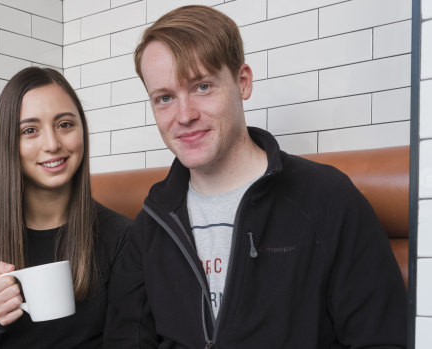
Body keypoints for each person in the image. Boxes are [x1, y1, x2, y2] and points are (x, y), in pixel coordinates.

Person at [104, 5, 406, 348]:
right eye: (165, 98)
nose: (184, 115)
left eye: (202, 87)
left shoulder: (327, 198)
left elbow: (381, 339)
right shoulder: (151, 225)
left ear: (242, 82)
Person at [0, 67, 131, 348]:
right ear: (9, 144)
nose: (53, 144)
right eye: (30, 130)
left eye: (65, 124)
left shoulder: (121, 234)